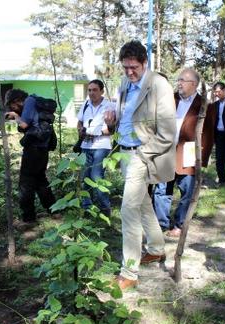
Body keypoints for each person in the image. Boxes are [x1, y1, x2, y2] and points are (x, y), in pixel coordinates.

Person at [104, 40, 176, 290]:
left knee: (128, 210)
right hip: (125, 153)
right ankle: (156, 249)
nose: (129, 72)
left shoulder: (159, 85)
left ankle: (129, 272)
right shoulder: (125, 83)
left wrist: (143, 155)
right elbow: (126, 118)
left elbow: (167, 134)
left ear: (145, 62)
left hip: (141, 155)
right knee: (143, 204)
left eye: (133, 67)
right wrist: (112, 121)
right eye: (125, 67)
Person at [153, 68, 209, 237]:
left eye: (183, 80)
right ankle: (161, 224)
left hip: (188, 153)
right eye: (178, 80)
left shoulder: (204, 104)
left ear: (194, 84)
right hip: (166, 150)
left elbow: (208, 135)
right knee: (161, 189)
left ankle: (179, 224)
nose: (179, 83)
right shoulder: (171, 99)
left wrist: (202, 159)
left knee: (186, 191)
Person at [5, 89, 56, 223]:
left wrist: (16, 117)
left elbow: (24, 124)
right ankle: (54, 210)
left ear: (17, 100)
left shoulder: (29, 101)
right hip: (42, 148)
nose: (12, 108)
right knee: (40, 180)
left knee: (26, 183)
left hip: (33, 149)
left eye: (12, 105)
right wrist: (18, 116)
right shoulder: (35, 101)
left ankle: (28, 219)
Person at [77, 79, 114, 217]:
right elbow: (79, 122)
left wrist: (96, 133)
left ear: (102, 91)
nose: (91, 93)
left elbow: (113, 128)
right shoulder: (85, 104)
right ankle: (87, 208)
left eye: (95, 90)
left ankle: (105, 208)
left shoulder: (109, 106)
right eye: (89, 90)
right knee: (85, 177)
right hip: (85, 145)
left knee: (96, 176)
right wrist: (81, 131)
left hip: (102, 146)